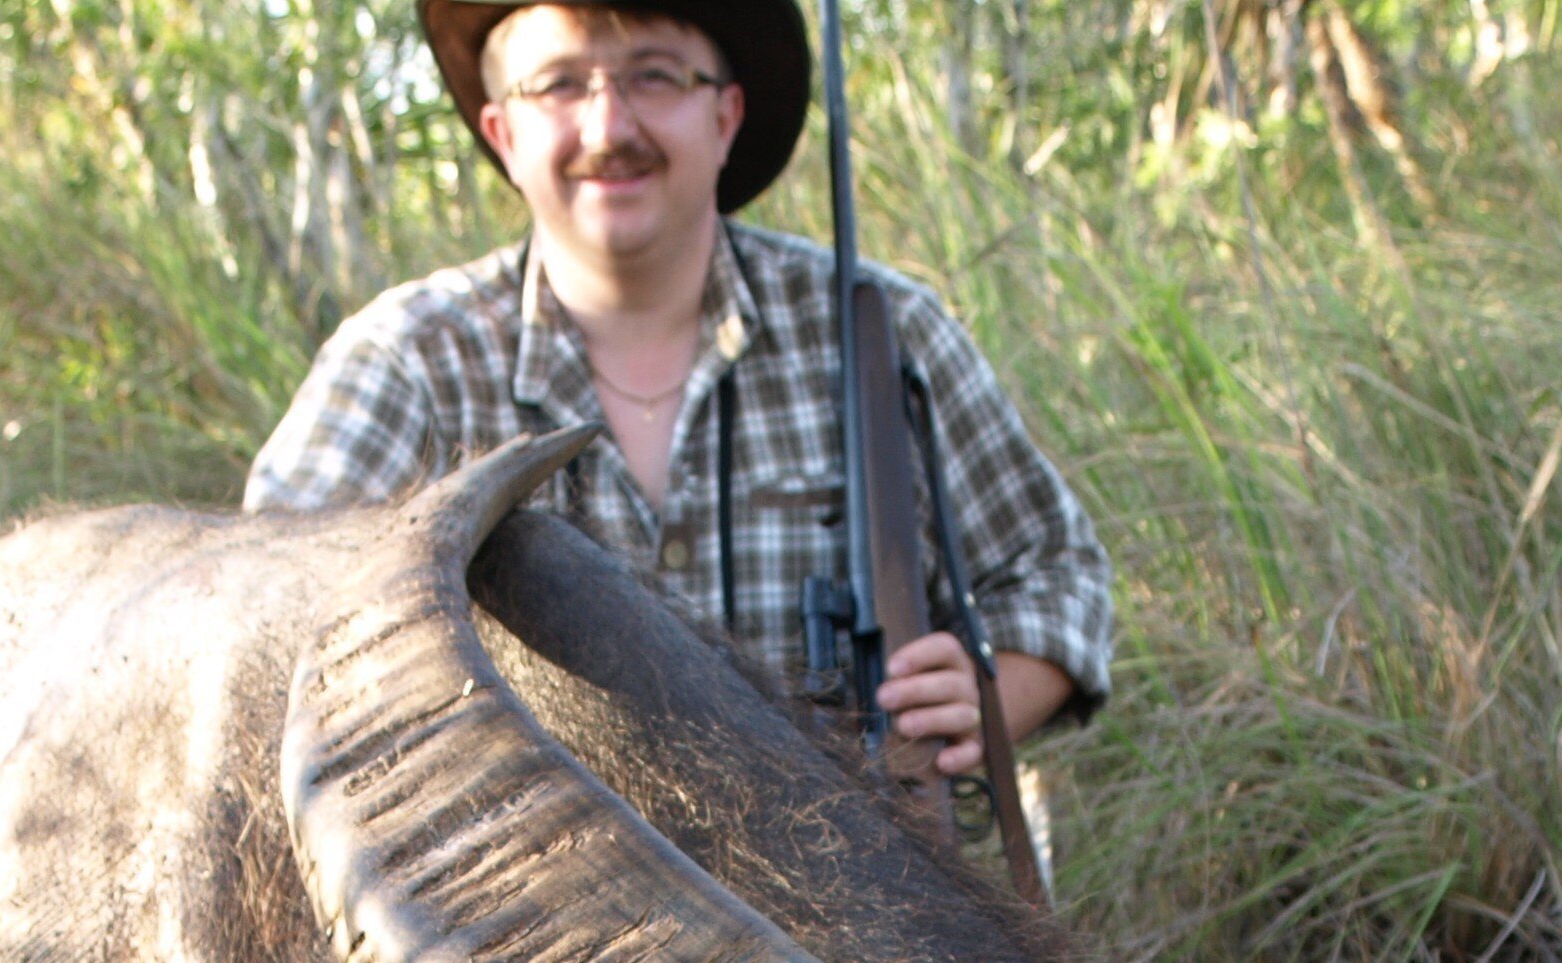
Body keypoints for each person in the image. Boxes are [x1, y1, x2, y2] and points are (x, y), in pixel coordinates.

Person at [243, 0, 1110, 787]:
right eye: (559, 85)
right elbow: (256, 646)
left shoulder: (887, 335)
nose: (609, 126)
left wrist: (987, 690)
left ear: (725, 116)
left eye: (654, 76)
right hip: (516, 937)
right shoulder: (403, 363)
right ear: (502, 132)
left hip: (865, 925)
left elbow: (1062, 577)